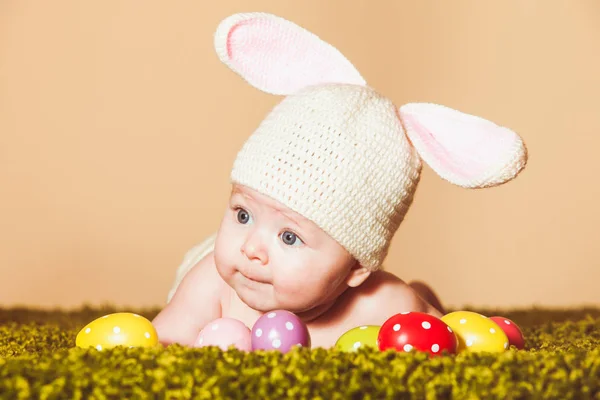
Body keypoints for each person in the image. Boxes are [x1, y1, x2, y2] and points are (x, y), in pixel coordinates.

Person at [152, 12, 528, 349]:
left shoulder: (383, 304)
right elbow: (156, 344)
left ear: (356, 268)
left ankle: (425, 293)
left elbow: (446, 337)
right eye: (243, 214)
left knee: (422, 307)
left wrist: (462, 331)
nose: (251, 248)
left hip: (394, 293)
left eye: (289, 237)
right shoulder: (212, 287)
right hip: (199, 280)